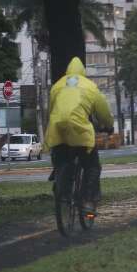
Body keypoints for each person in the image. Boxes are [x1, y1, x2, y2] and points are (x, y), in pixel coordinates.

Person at [45, 57, 114, 215]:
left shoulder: (57, 86)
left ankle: (61, 182)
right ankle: (88, 201)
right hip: (80, 130)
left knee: (62, 158)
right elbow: (103, 112)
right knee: (92, 166)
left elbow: (51, 110)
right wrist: (109, 125)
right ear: (83, 72)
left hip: (58, 129)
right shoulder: (90, 86)